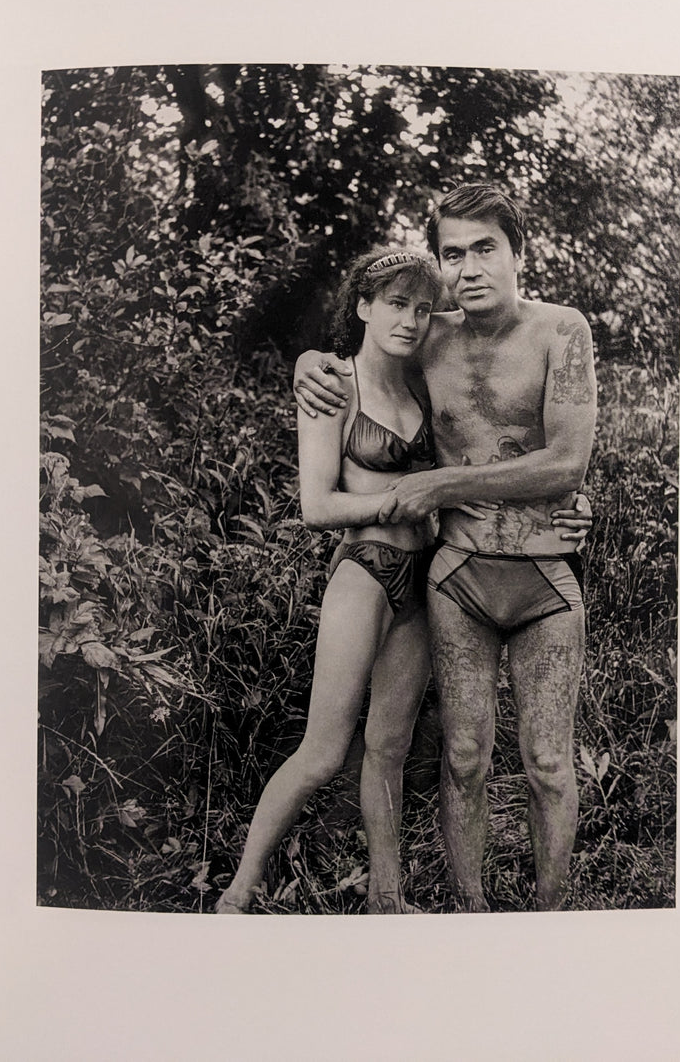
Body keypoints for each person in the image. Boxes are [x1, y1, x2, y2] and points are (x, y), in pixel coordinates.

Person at [218, 246, 589, 914]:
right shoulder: (334, 385)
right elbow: (316, 506)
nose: (411, 321)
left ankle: (386, 899)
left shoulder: (422, 378)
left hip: (424, 576)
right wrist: (405, 495)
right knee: (323, 753)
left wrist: (567, 503)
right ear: (363, 306)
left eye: (422, 308)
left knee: (388, 748)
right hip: (364, 571)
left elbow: (487, 443)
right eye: (395, 304)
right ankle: (237, 892)